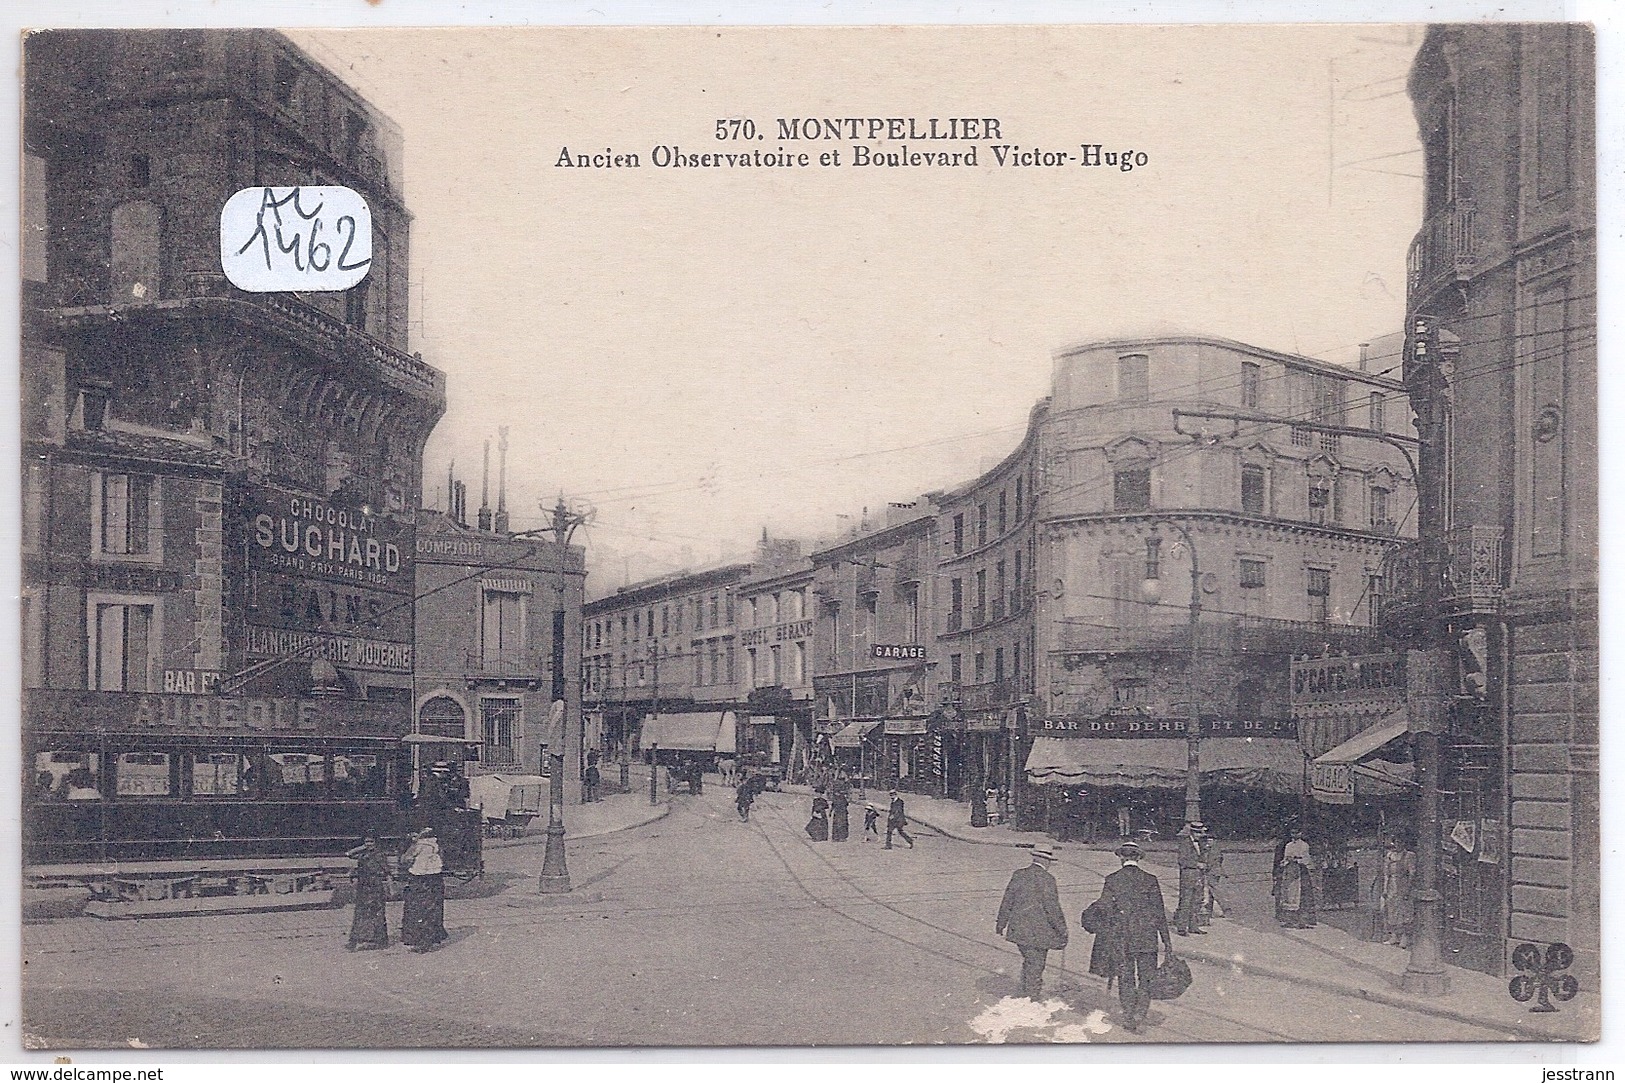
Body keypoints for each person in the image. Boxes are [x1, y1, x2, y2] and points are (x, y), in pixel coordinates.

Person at [1088, 841, 1175, 1033]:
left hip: (1122, 940)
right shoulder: (1151, 879)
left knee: (1125, 978)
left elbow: (1103, 907)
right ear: (1138, 858)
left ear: (1121, 858)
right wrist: (1167, 943)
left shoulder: (1112, 879)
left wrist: (1091, 919)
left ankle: (1128, 1014)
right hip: (1147, 940)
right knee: (1146, 978)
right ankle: (1139, 1013)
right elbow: (1160, 913)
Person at [995, 843, 1069, 1001]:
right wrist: (1062, 929)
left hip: (1018, 930)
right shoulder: (1048, 879)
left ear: (1034, 858)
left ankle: (1024, 993)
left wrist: (1001, 924)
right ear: (1047, 862)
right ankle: (1031, 999)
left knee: (1030, 961)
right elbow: (1052, 908)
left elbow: (1007, 900)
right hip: (1039, 933)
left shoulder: (1019, 874)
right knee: (1036, 964)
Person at [400, 827, 447, 952]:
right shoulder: (436, 847)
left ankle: (420, 942)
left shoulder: (417, 846)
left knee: (417, 912)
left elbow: (405, 860)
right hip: (435, 881)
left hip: (419, 881)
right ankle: (430, 940)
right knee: (432, 912)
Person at [344, 837, 390, 951]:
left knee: (377, 912)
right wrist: (362, 848)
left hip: (376, 885)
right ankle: (355, 940)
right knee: (361, 912)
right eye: (366, 842)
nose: (368, 844)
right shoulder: (362, 855)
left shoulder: (380, 855)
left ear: (376, 843)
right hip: (363, 886)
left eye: (371, 842)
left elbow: (386, 871)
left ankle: (380, 940)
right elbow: (349, 854)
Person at [1274, 829, 1318, 928]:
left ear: (1301, 833)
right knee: (1289, 895)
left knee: (1301, 895)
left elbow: (1306, 859)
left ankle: (1302, 921)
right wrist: (1285, 861)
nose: (1295, 835)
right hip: (1290, 871)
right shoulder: (1288, 845)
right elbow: (1285, 858)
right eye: (1293, 833)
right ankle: (1290, 920)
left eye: (1297, 833)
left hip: (1300, 872)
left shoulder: (1304, 845)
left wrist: (1297, 859)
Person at [1379, 836, 1417, 947]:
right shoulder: (1390, 855)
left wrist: (1408, 889)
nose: (1398, 845)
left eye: (1401, 842)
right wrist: (1385, 889)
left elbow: (1412, 873)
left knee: (1405, 911)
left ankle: (1405, 937)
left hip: (1403, 884)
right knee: (1391, 910)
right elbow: (1386, 873)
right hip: (1392, 885)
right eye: (1396, 842)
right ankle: (1394, 935)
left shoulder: (1409, 855)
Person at [1174, 822, 1208, 936]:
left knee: (1197, 901)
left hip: (1199, 875)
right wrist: (1197, 864)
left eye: (1201, 832)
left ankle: (1193, 926)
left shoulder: (1201, 843)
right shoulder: (1184, 843)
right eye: (1198, 833)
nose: (1200, 835)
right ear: (1193, 832)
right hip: (1188, 874)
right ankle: (1182, 928)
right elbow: (1182, 861)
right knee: (1186, 901)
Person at [1201, 831, 1227, 922]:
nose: (1209, 842)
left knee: (1215, 891)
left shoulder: (1213, 849)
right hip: (1216, 872)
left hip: (1212, 872)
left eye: (1210, 840)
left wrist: (1205, 868)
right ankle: (1209, 910)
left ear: (1214, 840)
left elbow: (1210, 861)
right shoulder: (1215, 848)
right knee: (1211, 892)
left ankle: (1226, 908)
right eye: (1208, 840)